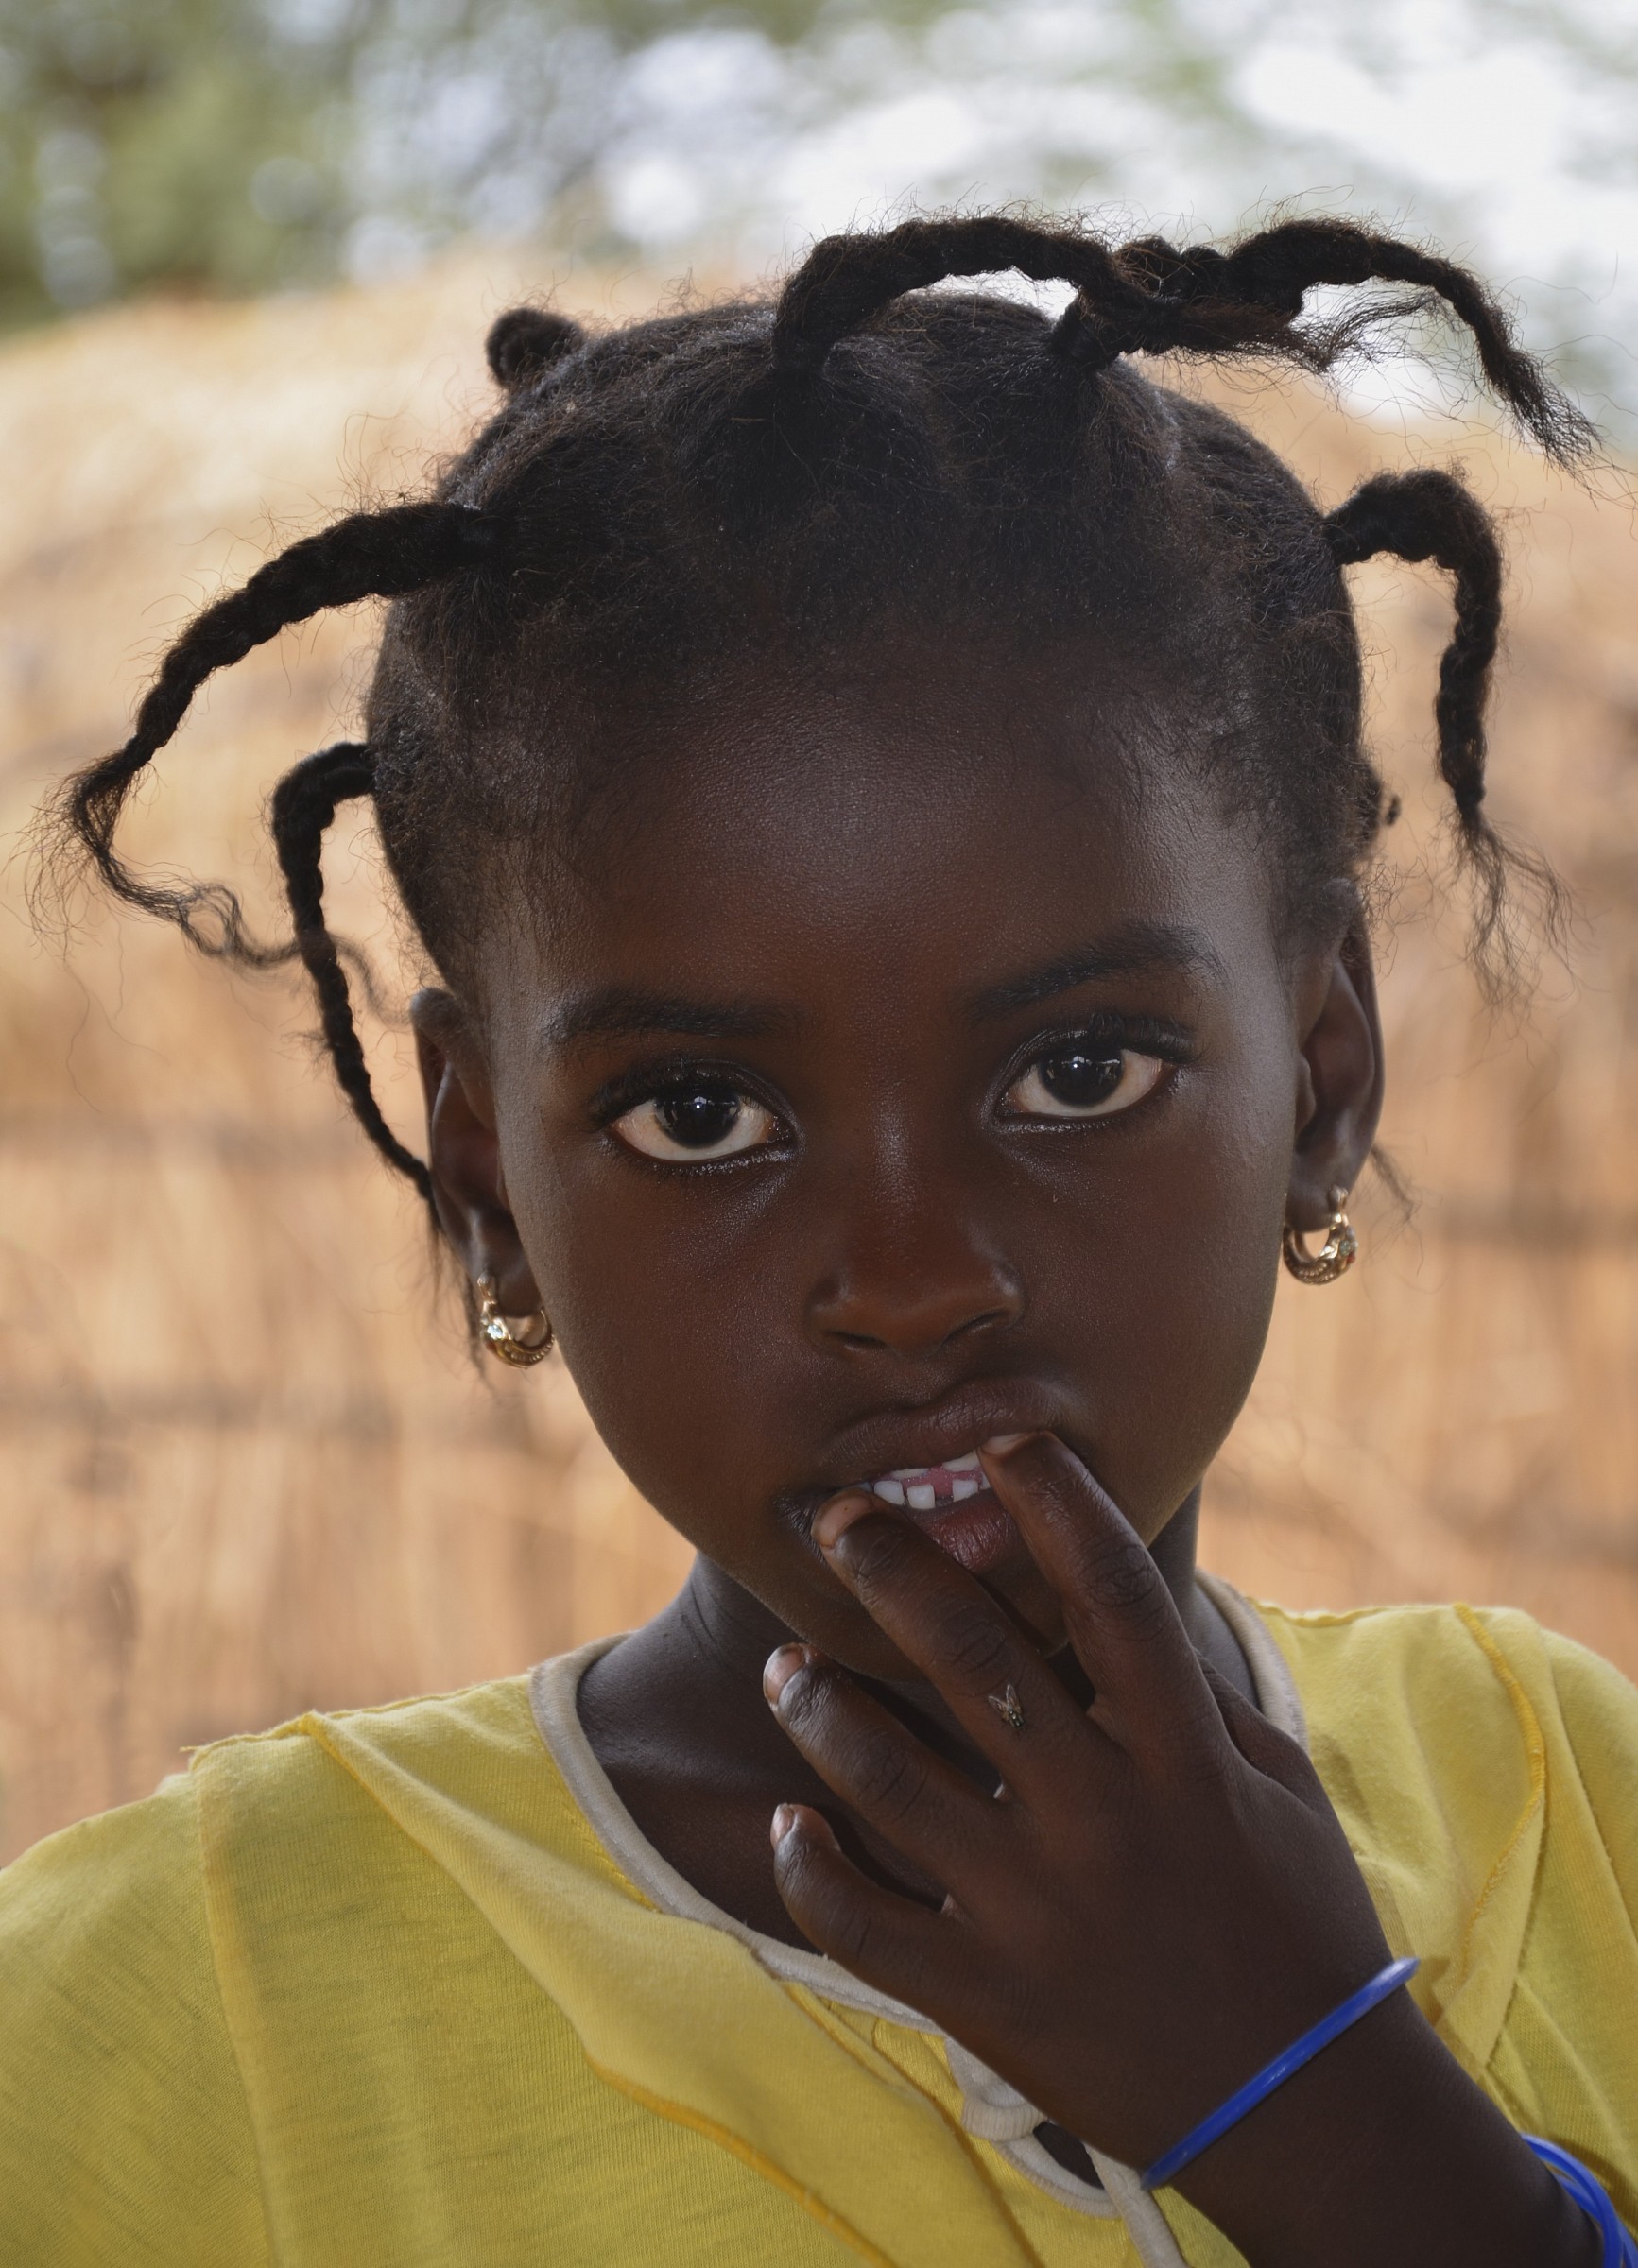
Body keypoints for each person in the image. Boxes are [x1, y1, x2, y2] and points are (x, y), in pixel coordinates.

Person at [4, 214, 1633, 2268]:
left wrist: (1326, 2107)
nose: (916, 1273)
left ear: (1320, 1085)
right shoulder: (178, 2016)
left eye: (1080, 1076)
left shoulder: (1568, 1808)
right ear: (491, 1174)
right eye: (704, 1117)